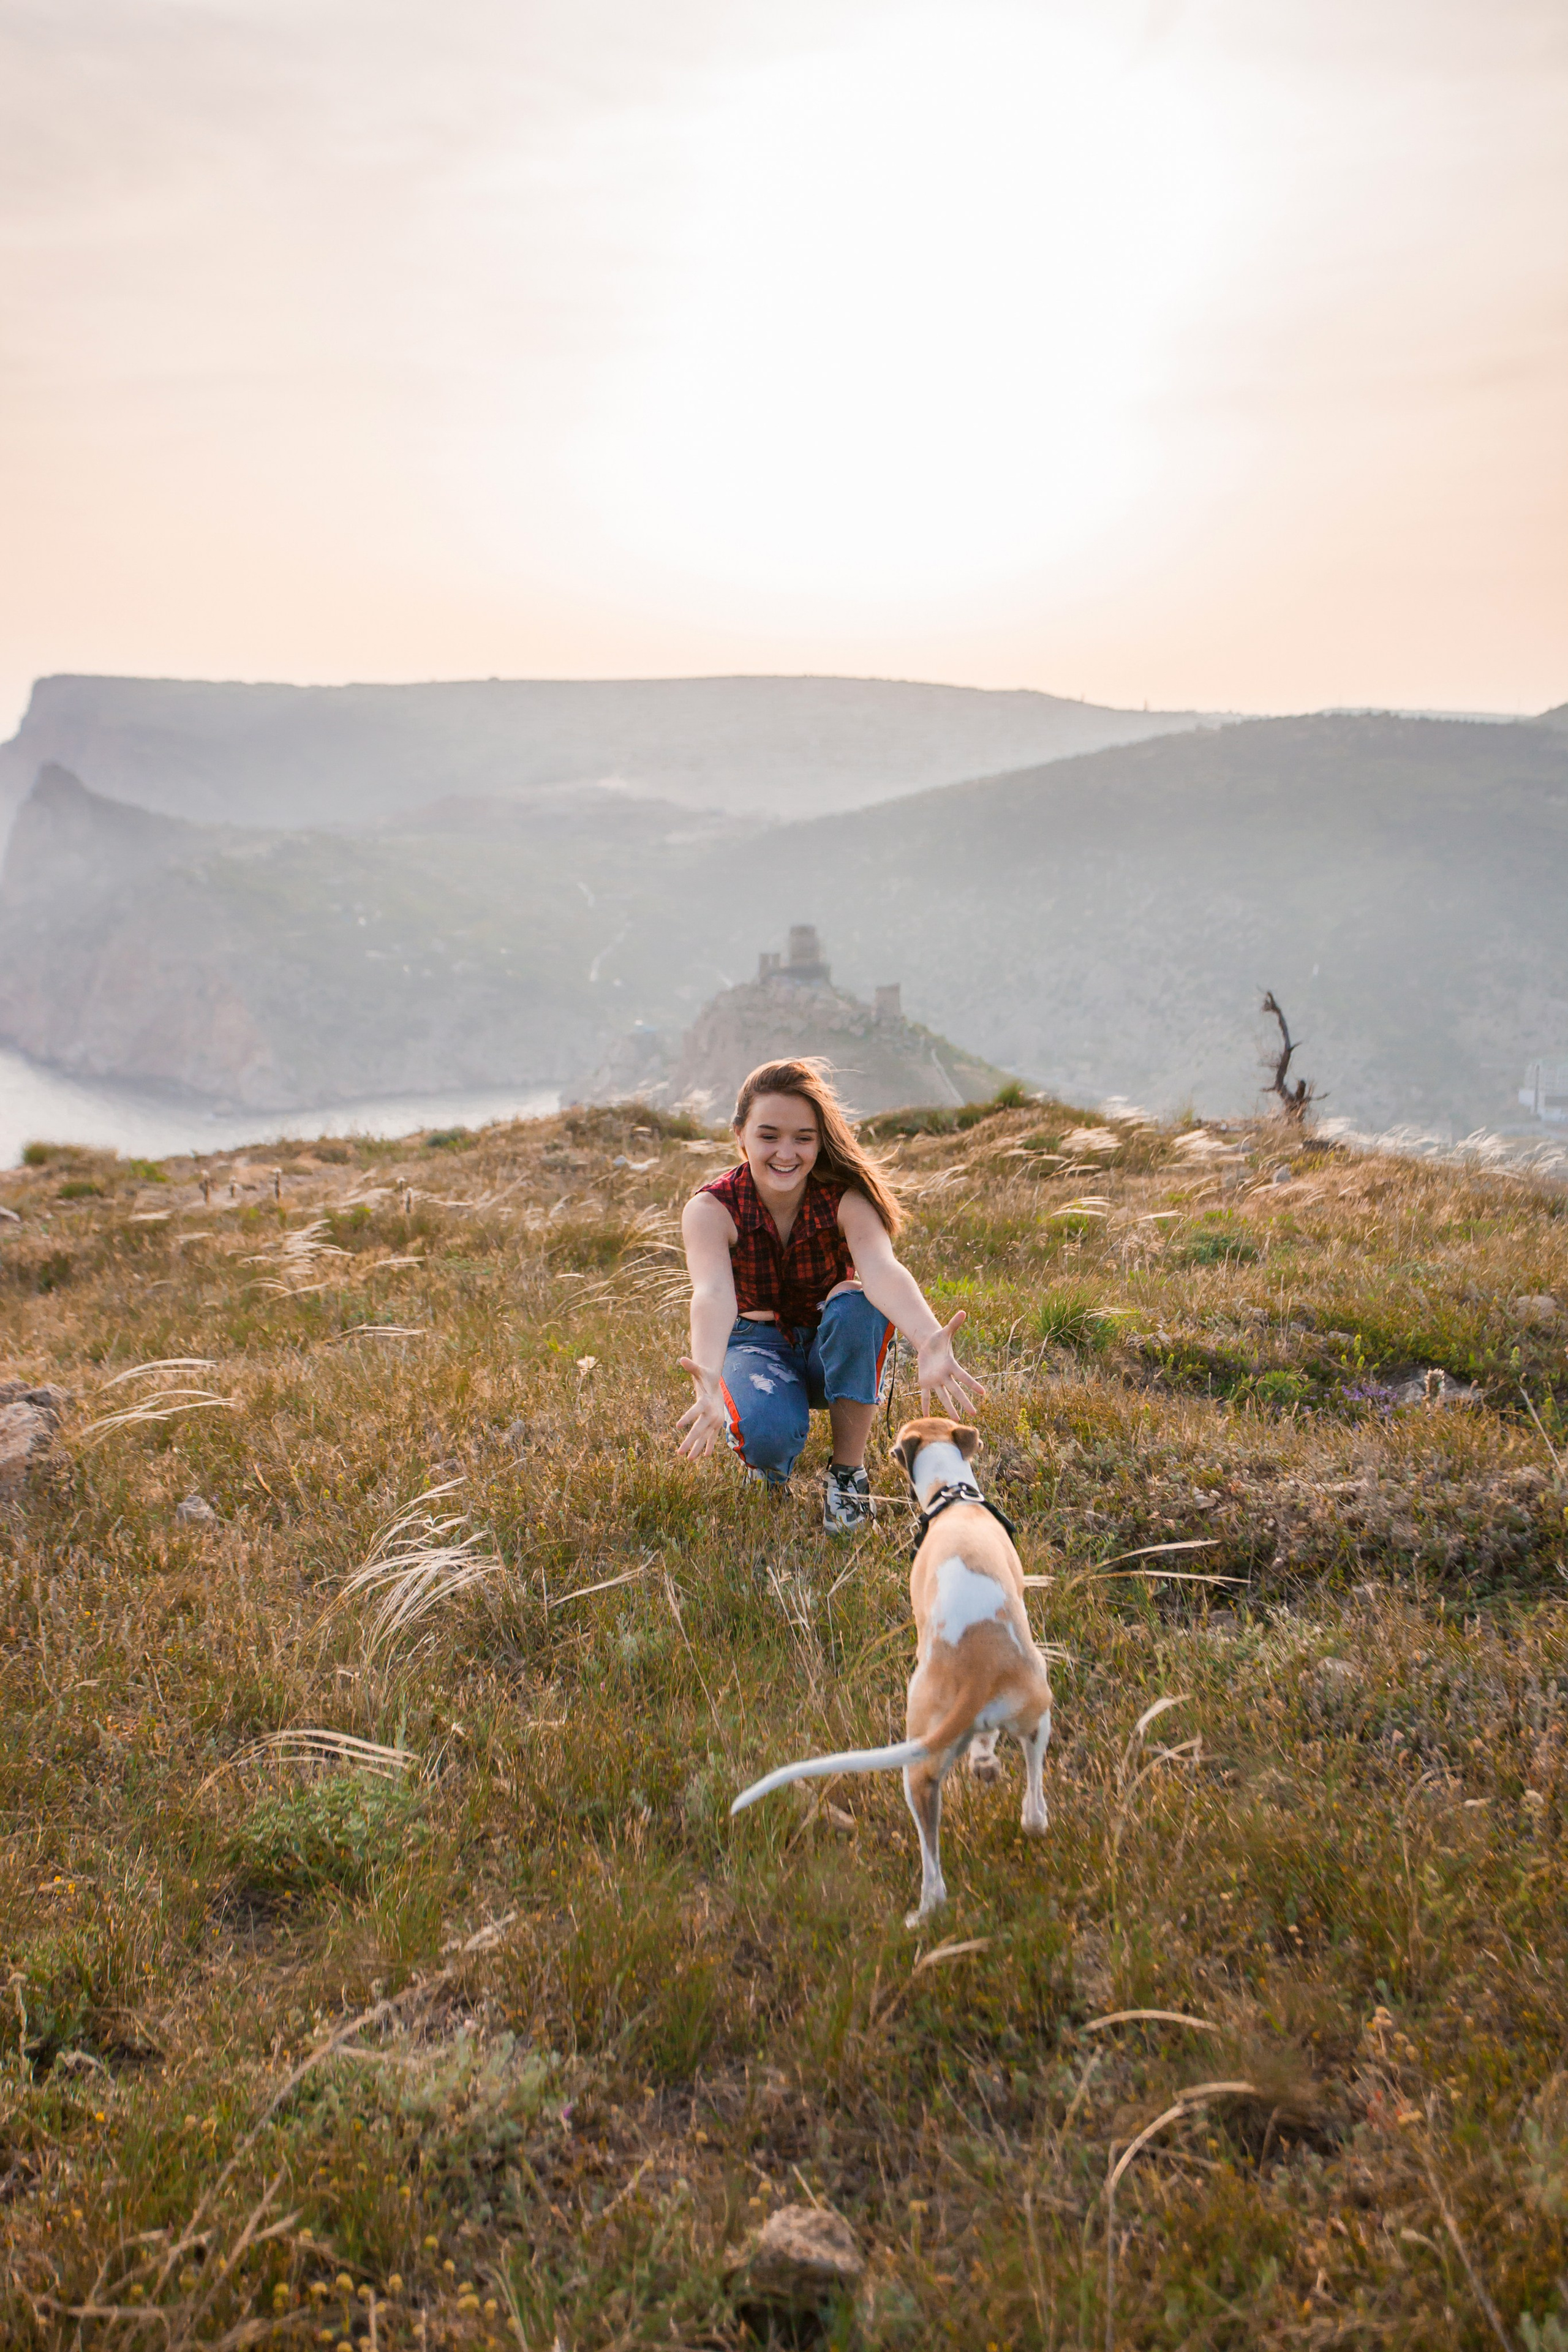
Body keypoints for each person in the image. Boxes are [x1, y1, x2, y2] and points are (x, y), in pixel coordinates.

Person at [676, 1057, 987, 1533]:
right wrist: (710, 1377)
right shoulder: (711, 1209)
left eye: (804, 1137)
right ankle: (769, 1467)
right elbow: (714, 1293)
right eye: (769, 1135)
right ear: (739, 1134)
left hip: (830, 1350)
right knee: (769, 1438)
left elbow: (882, 1270)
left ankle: (847, 1476)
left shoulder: (846, 1197)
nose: (786, 1152)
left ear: (821, 1141)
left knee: (858, 1302)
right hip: (756, 1346)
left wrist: (927, 1338)